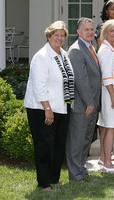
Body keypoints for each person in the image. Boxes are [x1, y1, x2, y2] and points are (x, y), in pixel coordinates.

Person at [24, 21, 74, 191]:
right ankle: (44, 183)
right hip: (41, 108)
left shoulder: (63, 54)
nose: (60, 38)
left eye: (62, 35)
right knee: (44, 146)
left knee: (58, 145)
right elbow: (39, 85)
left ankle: (54, 179)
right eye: (56, 35)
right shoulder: (41, 56)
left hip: (61, 106)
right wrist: (47, 109)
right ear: (49, 36)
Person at [66, 17, 101, 181]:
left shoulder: (91, 47)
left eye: (92, 29)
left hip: (92, 103)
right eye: (86, 29)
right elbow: (81, 80)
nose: (90, 32)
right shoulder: (76, 50)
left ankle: (80, 166)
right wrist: (89, 102)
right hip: (82, 104)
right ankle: (74, 172)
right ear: (78, 32)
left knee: (87, 138)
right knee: (77, 139)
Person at [97, 19, 114, 173]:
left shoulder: (112, 48)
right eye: (111, 31)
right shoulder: (106, 50)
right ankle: (107, 163)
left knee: (108, 126)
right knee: (110, 128)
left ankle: (103, 157)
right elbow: (106, 76)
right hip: (110, 92)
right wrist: (113, 97)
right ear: (105, 33)